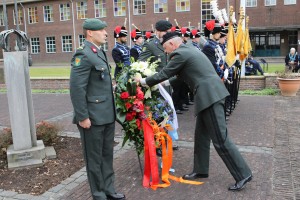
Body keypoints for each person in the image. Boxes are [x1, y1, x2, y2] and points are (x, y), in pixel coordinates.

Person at [136, 32, 253, 191]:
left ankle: (242, 173)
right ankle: (200, 170)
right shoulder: (189, 49)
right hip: (208, 94)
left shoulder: (179, 53)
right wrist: (163, 84)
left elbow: (165, 73)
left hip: (209, 96)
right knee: (201, 136)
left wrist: (143, 81)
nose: (165, 52)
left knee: (220, 138)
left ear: (172, 44)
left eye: (165, 49)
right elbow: (180, 76)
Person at [70, 18, 125, 200]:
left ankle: (109, 189)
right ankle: (98, 194)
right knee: (94, 159)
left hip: (107, 115)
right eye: (102, 30)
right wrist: (82, 116)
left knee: (107, 155)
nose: (106, 33)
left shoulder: (99, 53)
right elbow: (77, 89)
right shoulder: (83, 54)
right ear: (90, 33)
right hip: (92, 118)